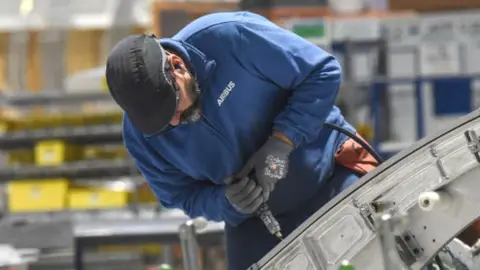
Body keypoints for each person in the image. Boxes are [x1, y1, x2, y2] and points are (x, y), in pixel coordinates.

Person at [105, 11, 378, 270]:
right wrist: (227, 203)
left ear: (177, 67)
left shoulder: (231, 37)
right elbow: (179, 194)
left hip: (330, 174)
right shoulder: (142, 136)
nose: (174, 122)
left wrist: (282, 142)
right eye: (164, 122)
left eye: (173, 108)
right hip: (256, 223)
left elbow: (322, 73)